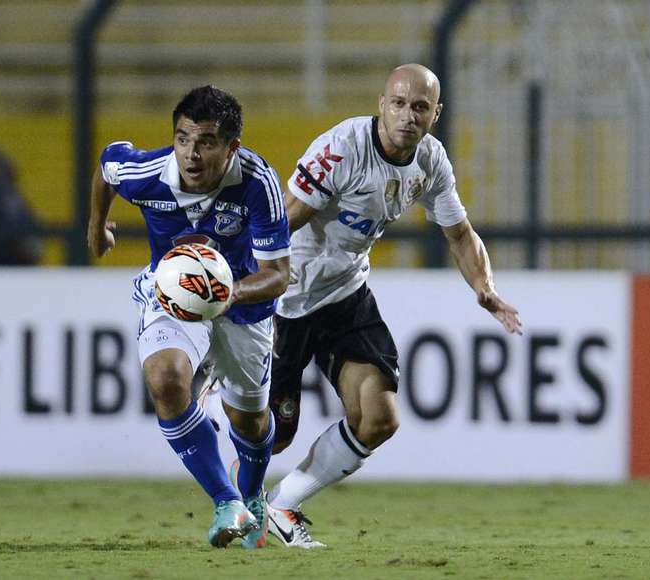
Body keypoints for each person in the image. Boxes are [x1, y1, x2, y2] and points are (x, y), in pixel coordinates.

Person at [264, 63, 523, 548]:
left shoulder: (431, 161)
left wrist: (483, 287)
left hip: (345, 295)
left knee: (379, 418)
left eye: (420, 107)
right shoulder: (343, 148)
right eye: (399, 103)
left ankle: (281, 505)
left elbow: (460, 233)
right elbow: (281, 222)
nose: (408, 115)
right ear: (381, 104)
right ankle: (225, 420)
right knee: (274, 435)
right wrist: (248, 291)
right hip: (289, 299)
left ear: (435, 114)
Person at [87, 85, 290, 549]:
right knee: (166, 380)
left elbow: (279, 274)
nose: (191, 154)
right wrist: (96, 230)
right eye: (182, 139)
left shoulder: (258, 183)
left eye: (207, 142)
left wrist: (225, 293)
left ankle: (252, 494)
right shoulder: (148, 172)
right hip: (171, 294)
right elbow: (107, 166)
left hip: (244, 306)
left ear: (232, 147)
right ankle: (226, 502)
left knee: (251, 422)